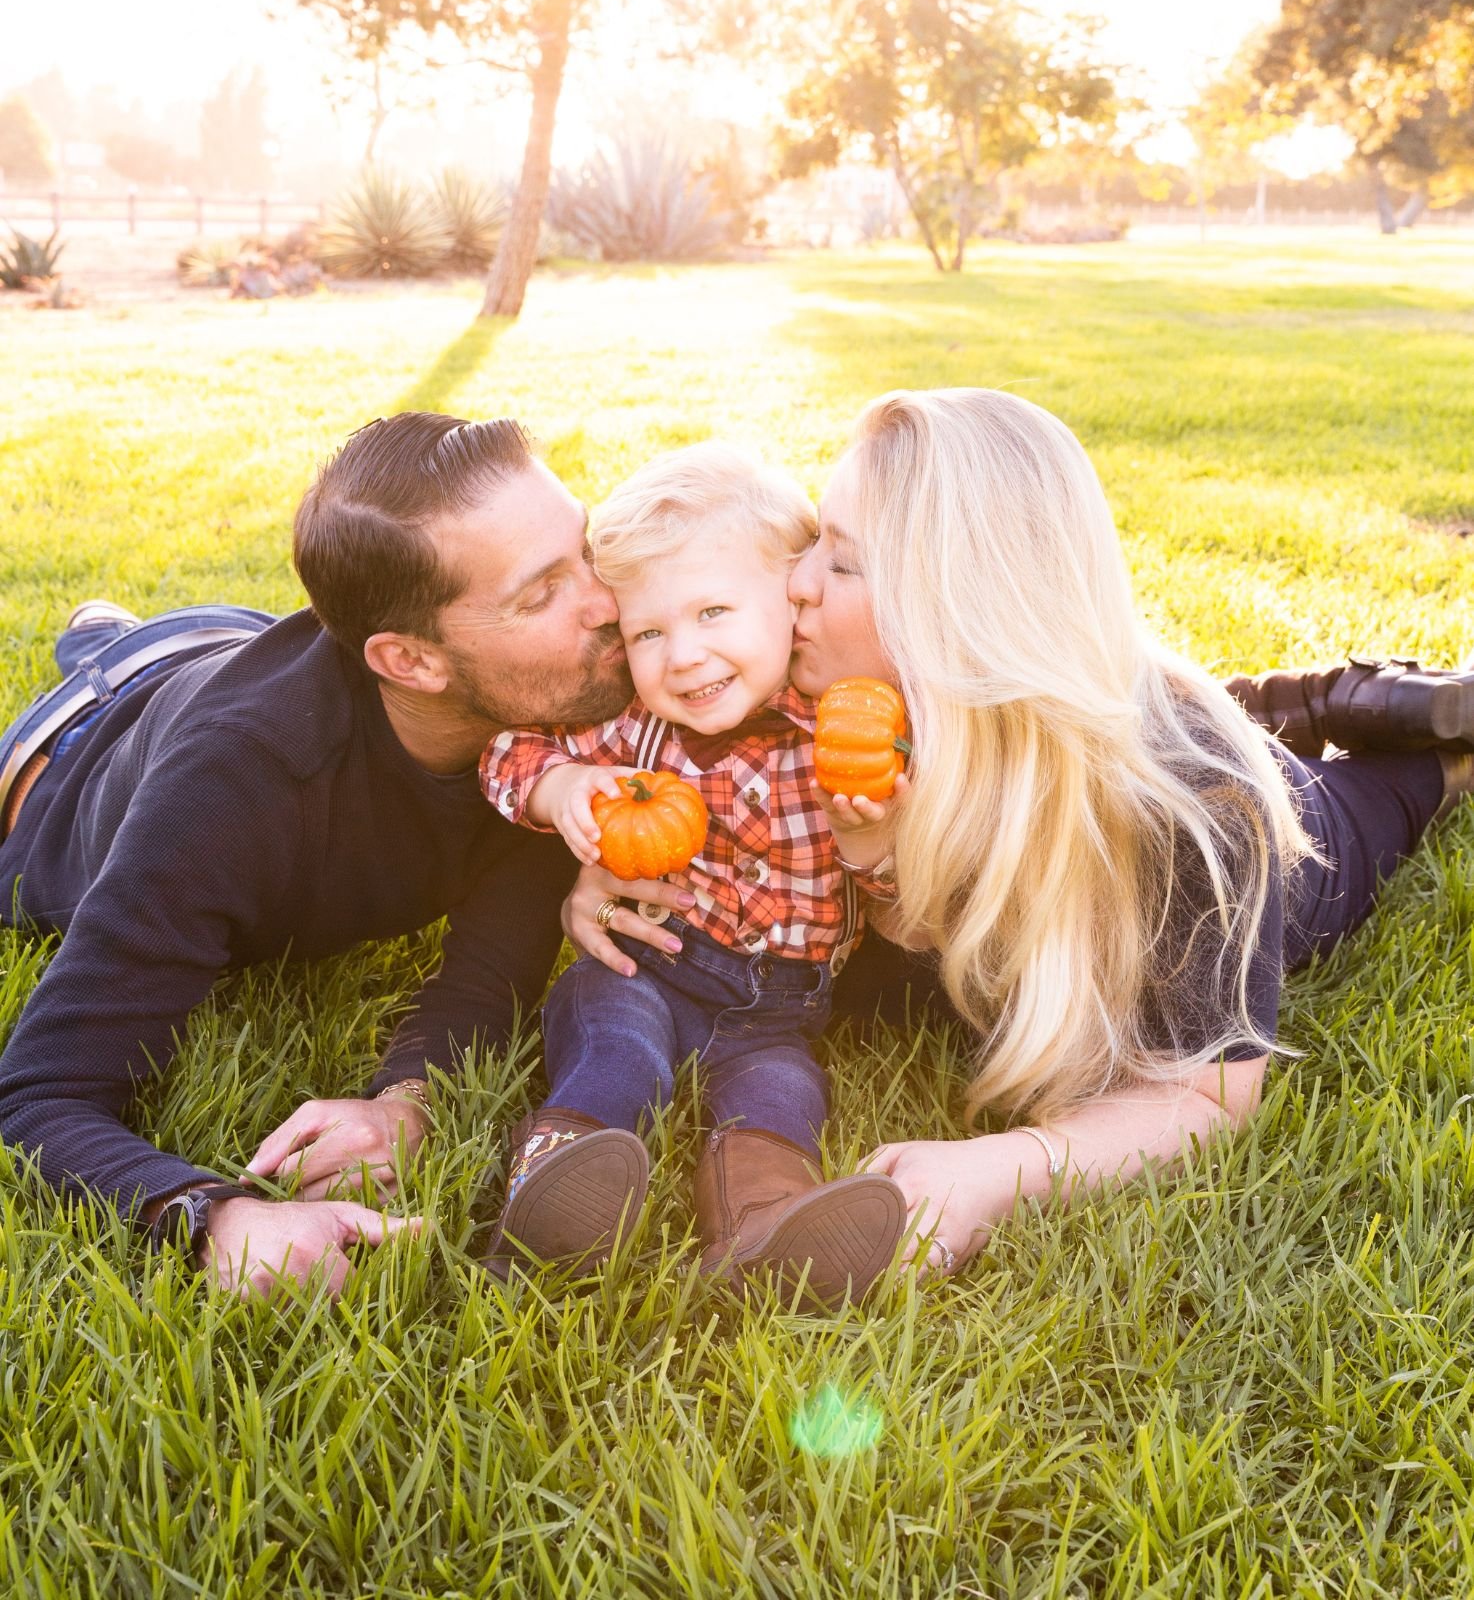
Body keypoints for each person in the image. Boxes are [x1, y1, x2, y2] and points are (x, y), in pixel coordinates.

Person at [785, 387, 1473, 1280]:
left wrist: (994, 1171)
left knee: (1393, 789)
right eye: (813, 541)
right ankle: (1303, 696)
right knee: (1141, 704)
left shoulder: (1197, 812)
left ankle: (1411, 734)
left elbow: (1207, 1095)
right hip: (1059, 723)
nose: (795, 580)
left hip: (1303, 829)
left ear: (956, 619)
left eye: (842, 564)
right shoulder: (799, 721)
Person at [0, 412, 674, 1298]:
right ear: (413, 661)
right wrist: (218, 1217)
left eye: (583, 552)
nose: (607, 603)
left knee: (215, 644)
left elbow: (485, 979)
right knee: (123, 673)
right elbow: (36, 1099)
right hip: (74, 750)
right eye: (540, 593)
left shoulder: (549, 738)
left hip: (235, 643)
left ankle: (122, 632)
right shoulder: (235, 787)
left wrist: (406, 1106)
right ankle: (105, 646)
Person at [476, 443, 907, 1304]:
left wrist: (880, 838)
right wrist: (560, 787)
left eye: (714, 612)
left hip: (778, 1012)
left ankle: (762, 1224)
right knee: (619, 1050)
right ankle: (558, 1194)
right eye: (649, 632)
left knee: (781, 1093)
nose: (681, 656)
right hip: (645, 966)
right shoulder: (636, 730)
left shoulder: (841, 734)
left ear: (793, 602)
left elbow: (904, 906)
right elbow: (506, 751)